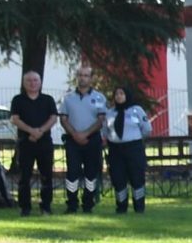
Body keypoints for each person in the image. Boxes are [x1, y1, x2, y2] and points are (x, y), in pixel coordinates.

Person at [8, 71, 58, 215]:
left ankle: (46, 207)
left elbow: (53, 118)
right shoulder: (18, 100)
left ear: (40, 82)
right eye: (29, 80)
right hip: (25, 142)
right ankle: (25, 208)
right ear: (24, 83)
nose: (32, 83)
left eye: (35, 80)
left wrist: (40, 131)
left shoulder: (48, 99)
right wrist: (31, 131)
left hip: (45, 142)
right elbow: (15, 119)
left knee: (46, 175)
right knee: (24, 176)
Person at [60, 71, 108, 213]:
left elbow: (101, 120)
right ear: (76, 78)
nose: (83, 78)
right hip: (72, 140)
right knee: (72, 173)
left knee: (91, 173)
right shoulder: (67, 98)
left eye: (86, 76)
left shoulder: (99, 97)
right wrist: (75, 135)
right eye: (80, 75)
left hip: (92, 139)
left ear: (92, 78)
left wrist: (85, 134)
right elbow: (63, 119)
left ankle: (88, 204)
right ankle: (72, 204)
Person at [106, 84, 154, 214]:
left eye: (122, 94)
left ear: (127, 95)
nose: (119, 96)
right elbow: (105, 131)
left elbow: (147, 129)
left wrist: (135, 139)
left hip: (133, 148)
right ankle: (121, 207)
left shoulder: (136, 110)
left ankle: (139, 207)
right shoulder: (110, 113)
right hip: (116, 150)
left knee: (136, 178)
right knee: (118, 178)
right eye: (116, 94)